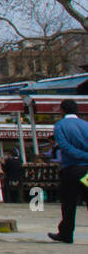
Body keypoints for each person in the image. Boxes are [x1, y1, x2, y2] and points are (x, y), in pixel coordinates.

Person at [47, 100, 88, 243]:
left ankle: (66, 233)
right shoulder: (86, 125)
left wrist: (81, 156)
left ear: (62, 110)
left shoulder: (60, 126)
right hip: (87, 169)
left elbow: (64, 146)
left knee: (69, 202)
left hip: (71, 168)